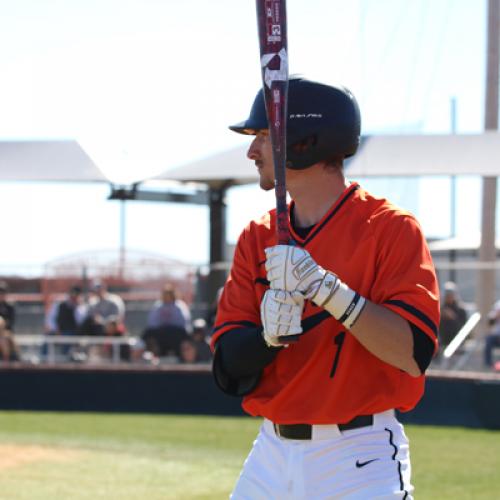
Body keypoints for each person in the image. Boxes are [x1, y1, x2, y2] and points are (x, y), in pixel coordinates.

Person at [211, 76, 440, 499]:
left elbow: (413, 354)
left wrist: (328, 291)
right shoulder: (256, 237)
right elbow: (227, 368)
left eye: (263, 134)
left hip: (359, 454)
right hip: (270, 454)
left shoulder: (390, 228)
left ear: (304, 141)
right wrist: (268, 338)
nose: (251, 150)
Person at [141, 284, 190, 358]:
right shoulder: (158, 306)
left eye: (169, 294)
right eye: (165, 294)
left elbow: (184, 322)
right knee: (147, 334)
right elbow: (151, 323)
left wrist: (170, 326)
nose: (167, 296)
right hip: (161, 333)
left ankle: (181, 357)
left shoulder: (179, 305)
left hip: (176, 333)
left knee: (183, 336)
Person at [438, 281, 467, 351]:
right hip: (442, 338)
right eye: (447, 295)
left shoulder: (460, 309)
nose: (448, 297)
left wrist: (453, 317)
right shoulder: (440, 308)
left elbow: (463, 327)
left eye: (450, 295)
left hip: (455, 338)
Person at [484, 300, 500, 369]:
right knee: (488, 339)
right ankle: (488, 363)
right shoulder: (498, 305)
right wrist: (496, 316)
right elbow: (490, 323)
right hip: (496, 336)